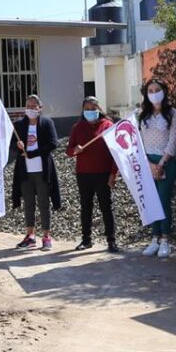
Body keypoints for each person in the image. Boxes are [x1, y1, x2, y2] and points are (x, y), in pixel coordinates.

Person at [67, 97, 119, 252]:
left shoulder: (108, 126)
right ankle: (86, 240)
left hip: (103, 174)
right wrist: (74, 150)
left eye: (93, 107)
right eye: (87, 108)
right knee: (85, 207)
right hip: (84, 174)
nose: (90, 111)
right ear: (83, 110)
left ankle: (111, 240)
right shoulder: (77, 127)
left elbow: (115, 153)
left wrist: (113, 173)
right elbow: (68, 150)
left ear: (99, 108)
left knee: (106, 207)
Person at [10, 95, 62, 251]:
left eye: (34, 106)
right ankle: (30, 236)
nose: (31, 109)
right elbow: (12, 146)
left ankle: (46, 236)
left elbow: (53, 143)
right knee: (28, 204)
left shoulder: (47, 123)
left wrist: (33, 154)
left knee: (44, 204)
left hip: (42, 170)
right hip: (25, 171)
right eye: (28, 106)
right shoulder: (19, 125)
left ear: (40, 108)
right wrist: (18, 146)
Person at [137, 79, 176, 258]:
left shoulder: (173, 113)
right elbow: (138, 140)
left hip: (165, 163)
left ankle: (165, 240)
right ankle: (154, 238)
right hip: (147, 163)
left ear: (164, 91)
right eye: (150, 90)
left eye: (157, 89)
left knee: (163, 202)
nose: (154, 93)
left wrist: (161, 164)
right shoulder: (142, 114)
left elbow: (173, 141)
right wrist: (149, 164)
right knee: (151, 202)